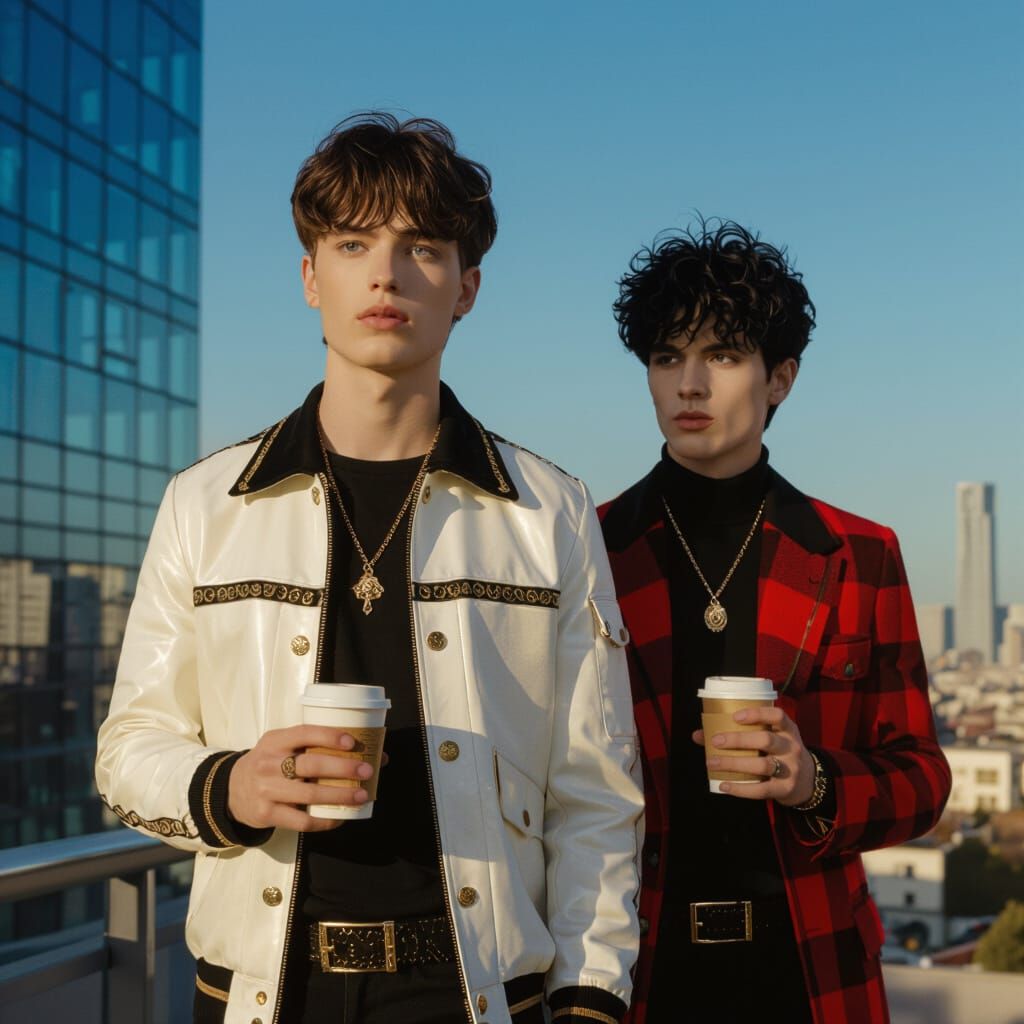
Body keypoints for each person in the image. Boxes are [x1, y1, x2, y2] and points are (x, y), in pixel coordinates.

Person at [95, 113, 642, 1024]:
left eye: (422, 246)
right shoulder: (206, 503)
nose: (386, 273)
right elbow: (127, 751)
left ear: (467, 287)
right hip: (262, 994)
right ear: (312, 277)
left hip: (476, 994)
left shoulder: (549, 511)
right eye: (353, 243)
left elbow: (596, 795)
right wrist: (230, 786)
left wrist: (590, 1004)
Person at [598, 220, 951, 1024]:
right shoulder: (588, 551)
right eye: (666, 358)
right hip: (636, 968)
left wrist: (813, 781)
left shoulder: (859, 554)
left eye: (721, 356)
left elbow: (923, 777)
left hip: (808, 968)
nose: (689, 385)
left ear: (780, 377)